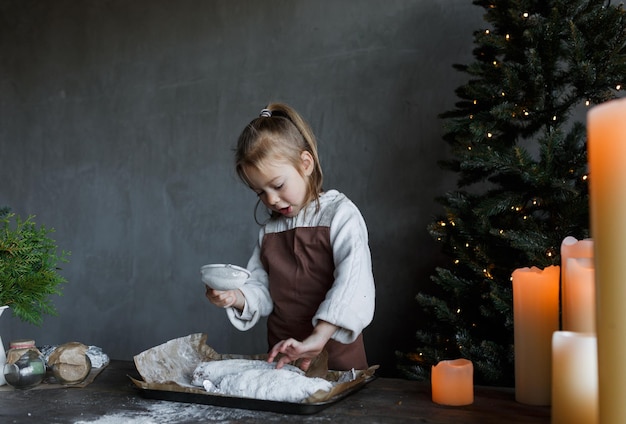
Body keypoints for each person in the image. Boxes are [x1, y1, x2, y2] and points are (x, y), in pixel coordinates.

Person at [205, 102, 375, 371]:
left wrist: (319, 336)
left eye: (278, 185)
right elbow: (261, 288)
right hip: (285, 361)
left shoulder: (340, 216)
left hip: (337, 361)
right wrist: (235, 297)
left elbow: (353, 284)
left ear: (305, 163)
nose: (271, 199)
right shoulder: (270, 232)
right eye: (260, 192)